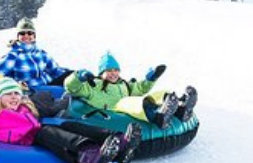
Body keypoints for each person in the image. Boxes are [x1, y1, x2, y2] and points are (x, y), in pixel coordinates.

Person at [0, 75, 142, 163]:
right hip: (28, 142)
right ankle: (91, 155)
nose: (15, 97)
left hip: (38, 133)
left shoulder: (23, 108)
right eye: (9, 94)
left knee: (69, 126)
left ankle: (119, 142)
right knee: (47, 132)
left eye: (17, 93)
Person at [63, 51, 197, 129]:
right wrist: (78, 77)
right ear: (101, 72)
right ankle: (159, 118)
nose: (113, 73)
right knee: (130, 102)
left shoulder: (124, 84)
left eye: (116, 70)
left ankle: (181, 109)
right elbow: (71, 87)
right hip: (115, 108)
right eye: (109, 70)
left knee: (157, 95)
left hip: (128, 104)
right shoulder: (93, 85)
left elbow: (140, 88)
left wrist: (151, 78)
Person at [0, 18, 72, 88]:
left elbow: (56, 71)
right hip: (31, 91)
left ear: (34, 36)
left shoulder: (41, 54)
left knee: (74, 77)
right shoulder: (13, 56)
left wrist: (73, 74)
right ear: (18, 37)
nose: (26, 36)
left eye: (30, 33)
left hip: (48, 85)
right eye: (22, 33)